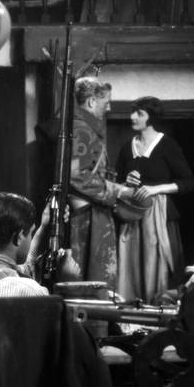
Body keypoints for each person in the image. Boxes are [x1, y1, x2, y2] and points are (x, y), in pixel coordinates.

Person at [115, 96, 194, 302]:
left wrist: (155, 189)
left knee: (158, 266)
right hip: (132, 216)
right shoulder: (127, 146)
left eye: (139, 113)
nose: (133, 117)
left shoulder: (167, 145)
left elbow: (188, 182)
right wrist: (126, 181)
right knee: (130, 266)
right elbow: (116, 181)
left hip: (159, 216)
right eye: (133, 112)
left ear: (151, 117)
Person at [69, 77, 130, 288]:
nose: (110, 107)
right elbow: (75, 174)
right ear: (92, 101)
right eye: (106, 102)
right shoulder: (81, 131)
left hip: (91, 211)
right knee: (95, 279)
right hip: (87, 215)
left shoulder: (85, 128)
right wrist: (117, 190)